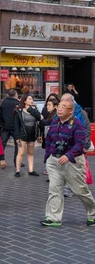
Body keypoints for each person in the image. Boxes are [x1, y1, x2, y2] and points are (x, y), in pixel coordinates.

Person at [41, 99, 95, 227]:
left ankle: (93, 213)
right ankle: (53, 218)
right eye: (59, 106)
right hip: (54, 161)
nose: (59, 109)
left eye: (63, 107)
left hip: (72, 162)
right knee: (54, 189)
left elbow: (79, 144)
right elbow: (49, 140)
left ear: (70, 111)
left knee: (80, 190)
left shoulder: (77, 124)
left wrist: (68, 155)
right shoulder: (55, 122)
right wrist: (48, 156)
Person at [59, 93, 92, 198]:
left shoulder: (81, 113)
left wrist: (85, 144)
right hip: (64, 145)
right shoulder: (60, 114)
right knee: (65, 167)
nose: (62, 105)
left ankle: (76, 188)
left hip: (78, 146)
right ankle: (67, 188)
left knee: (76, 168)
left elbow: (87, 129)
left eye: (65, 102)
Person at [13, 95, 41, 177]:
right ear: (24, 101)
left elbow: (39, 118)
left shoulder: (34, 110)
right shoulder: (19, 111)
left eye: (32, 99)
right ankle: (17, 170)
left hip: (32, 134)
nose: (31, 100)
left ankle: (31, 170)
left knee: (31, 153)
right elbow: (16, 125)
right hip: (22, 134)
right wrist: (17, 137)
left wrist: (31, 110)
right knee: (21, 152)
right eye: (29, 99)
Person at [0, 89, 20, 170]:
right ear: (15, 95)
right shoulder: (17, 103)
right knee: (18, 145)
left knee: (1, 144)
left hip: (4, 126)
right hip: (15, 127)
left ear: (8, 95)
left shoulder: (3, 102)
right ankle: (17, 161)